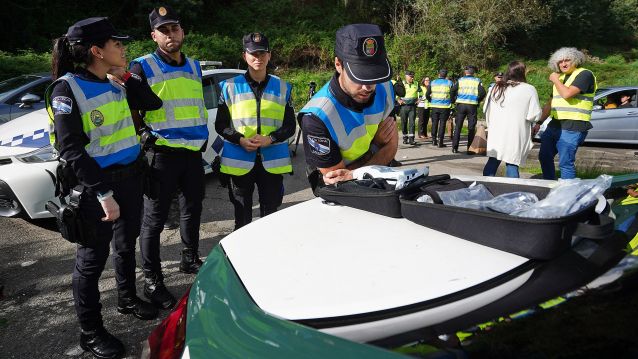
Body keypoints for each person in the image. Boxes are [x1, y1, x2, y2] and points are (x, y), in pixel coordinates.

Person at [46, 17, 162, 359]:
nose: (123, 49)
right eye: (117, 44)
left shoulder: (115, 82)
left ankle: (126, 298)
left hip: (129, 179)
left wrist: (126, 76)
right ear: (97, 51)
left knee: (126, 245)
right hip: (97, 188)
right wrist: (102, 193)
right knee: (91, 261)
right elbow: (71, 149)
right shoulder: (67, 89)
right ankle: (91, 332)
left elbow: (152, 103)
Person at [129, 5, 208, 309]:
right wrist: (144, 135)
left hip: (192, 155)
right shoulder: (142, 66)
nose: (171, 35)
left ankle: (189, 259)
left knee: (192, 210)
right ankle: (153, 281)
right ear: (154, 36)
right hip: (161, 154)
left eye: (174, 28)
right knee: (154, 220)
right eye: (164, 31)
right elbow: (130, 109)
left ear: (182, 31)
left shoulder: (195, 66)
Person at [298, 23, 397, 189]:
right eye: (360, 76)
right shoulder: (317, 117)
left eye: (374, 76)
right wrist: (376, 148)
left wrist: (354, 171)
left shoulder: (384, 88)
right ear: (338, 64)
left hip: (378, 179)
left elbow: (392, 147)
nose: (369, 87)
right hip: (338, 192)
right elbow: (340, 180)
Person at [215, 32, 295, 230]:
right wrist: (240, 139)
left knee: (270, 216)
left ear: (269, 55)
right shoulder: (229, 87)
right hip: (240, 160)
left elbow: (290, 126)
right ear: (245, 56)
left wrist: (271, 138)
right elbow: (221, 125)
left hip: (272, 161)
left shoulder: (283, 87)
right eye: (253, 54)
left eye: (262, 53)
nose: (257, 58)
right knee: (242, 217)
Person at [535, 47, 597, 180]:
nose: (563, 64)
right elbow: (550, 103)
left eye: (567, 60)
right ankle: (549, 186)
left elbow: (567, 94)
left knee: (565, 163)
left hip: (574, 126)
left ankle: (568, 195)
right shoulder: (561, 77)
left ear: (575, 60)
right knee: (544, 156)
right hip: (555, 124)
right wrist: (539, 122)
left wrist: (555, 80)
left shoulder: (584, 74)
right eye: (560, 62)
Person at [482, 61, 541, 178]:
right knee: (512, 163)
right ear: (522, 73)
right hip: (515, 132)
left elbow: (486, 109)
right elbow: (533, 115)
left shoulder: (495, 87)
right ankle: (512, 194)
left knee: (493, 161)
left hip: (496, 130)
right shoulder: (529, 89)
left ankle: (484, 187)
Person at [452, 65, 486, 153]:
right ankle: (469, 149)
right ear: (473, 72)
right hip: (472, 105)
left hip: (461, 105)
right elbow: (483, 93)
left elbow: (452, 90)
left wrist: (454, 100)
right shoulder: (477, 81)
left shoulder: (460, 80)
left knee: (458, 127)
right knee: (471, 127)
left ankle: (455, 148)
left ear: (465, 72)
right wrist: (477, 100)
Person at [426, 69, 456, 147]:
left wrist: (431, 100)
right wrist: (452, 102)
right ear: (446, 75)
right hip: (445, 107)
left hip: (434, 106)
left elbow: (427, 94)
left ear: (438, 74)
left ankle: (433, 140)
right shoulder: (450, 83)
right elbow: (453, 95)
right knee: (442, 124)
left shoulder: (433, 82)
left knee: (434, 123)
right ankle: (440, 142)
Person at [398, 70, 420, 145]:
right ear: (406, 76)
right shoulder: (401, 84)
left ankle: (411, 139)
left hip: (412, 106)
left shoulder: (416, 83)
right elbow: (395, 93)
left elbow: (421, 92)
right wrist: (398, 99)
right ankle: (405, 138)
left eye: (413, 76)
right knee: (404, 123)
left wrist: (419, 99)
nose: (412, 78)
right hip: (403, 107)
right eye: (411, 77)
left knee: (412, 123)